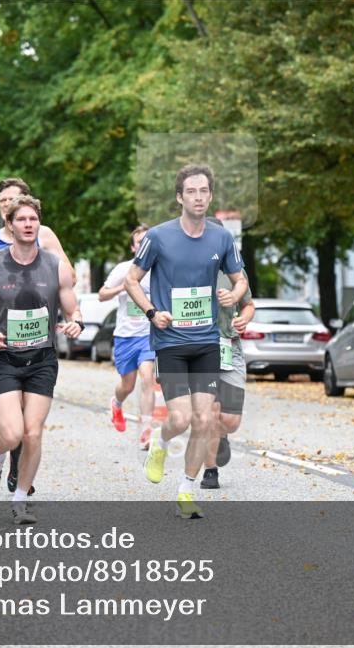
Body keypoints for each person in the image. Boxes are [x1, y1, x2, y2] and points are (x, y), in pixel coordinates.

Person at [124, 164, 247, 519]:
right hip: (171, 342)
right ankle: (160, 445)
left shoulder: (221, 238)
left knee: (205, 419)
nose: (198, 197)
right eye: (191, 191)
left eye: (204, 191)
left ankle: (186, 490)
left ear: (210, 196)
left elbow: (240, 279)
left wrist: (232, 294)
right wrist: (151, 312)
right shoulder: (159, 237)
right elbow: (133, 279)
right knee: (179, 419)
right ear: (180, 197)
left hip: (207, 340)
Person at [0, 194, 83, 524]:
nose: (29, 224)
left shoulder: (55, 266)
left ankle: (20, 498)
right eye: (22, 219)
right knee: (13, 433)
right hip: (3, 358)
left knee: (33, 433)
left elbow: (72, 306)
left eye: (33, 219)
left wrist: (76, 321)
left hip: (42, 359)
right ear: (10, 224)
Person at [202, 222, 255, 489]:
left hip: (229, 348)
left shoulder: (234, 271)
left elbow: (248, 305)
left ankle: (222, 436)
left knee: (230, 421)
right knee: (210, 412)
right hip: (199, 349)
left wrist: (243, 320)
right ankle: (210, 471)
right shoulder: (186, 266)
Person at [98, 224, 156, 448]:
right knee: (127, 385)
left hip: (148, 335)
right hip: (125, 336)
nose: (144, 246)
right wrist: (123, 287)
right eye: (140, 242)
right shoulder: (124, 269)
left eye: (147, 242)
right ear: (133, 247)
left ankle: (146, 432)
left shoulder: (159, 268)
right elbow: (102, 295)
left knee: (147, 378)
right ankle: (117, 402)